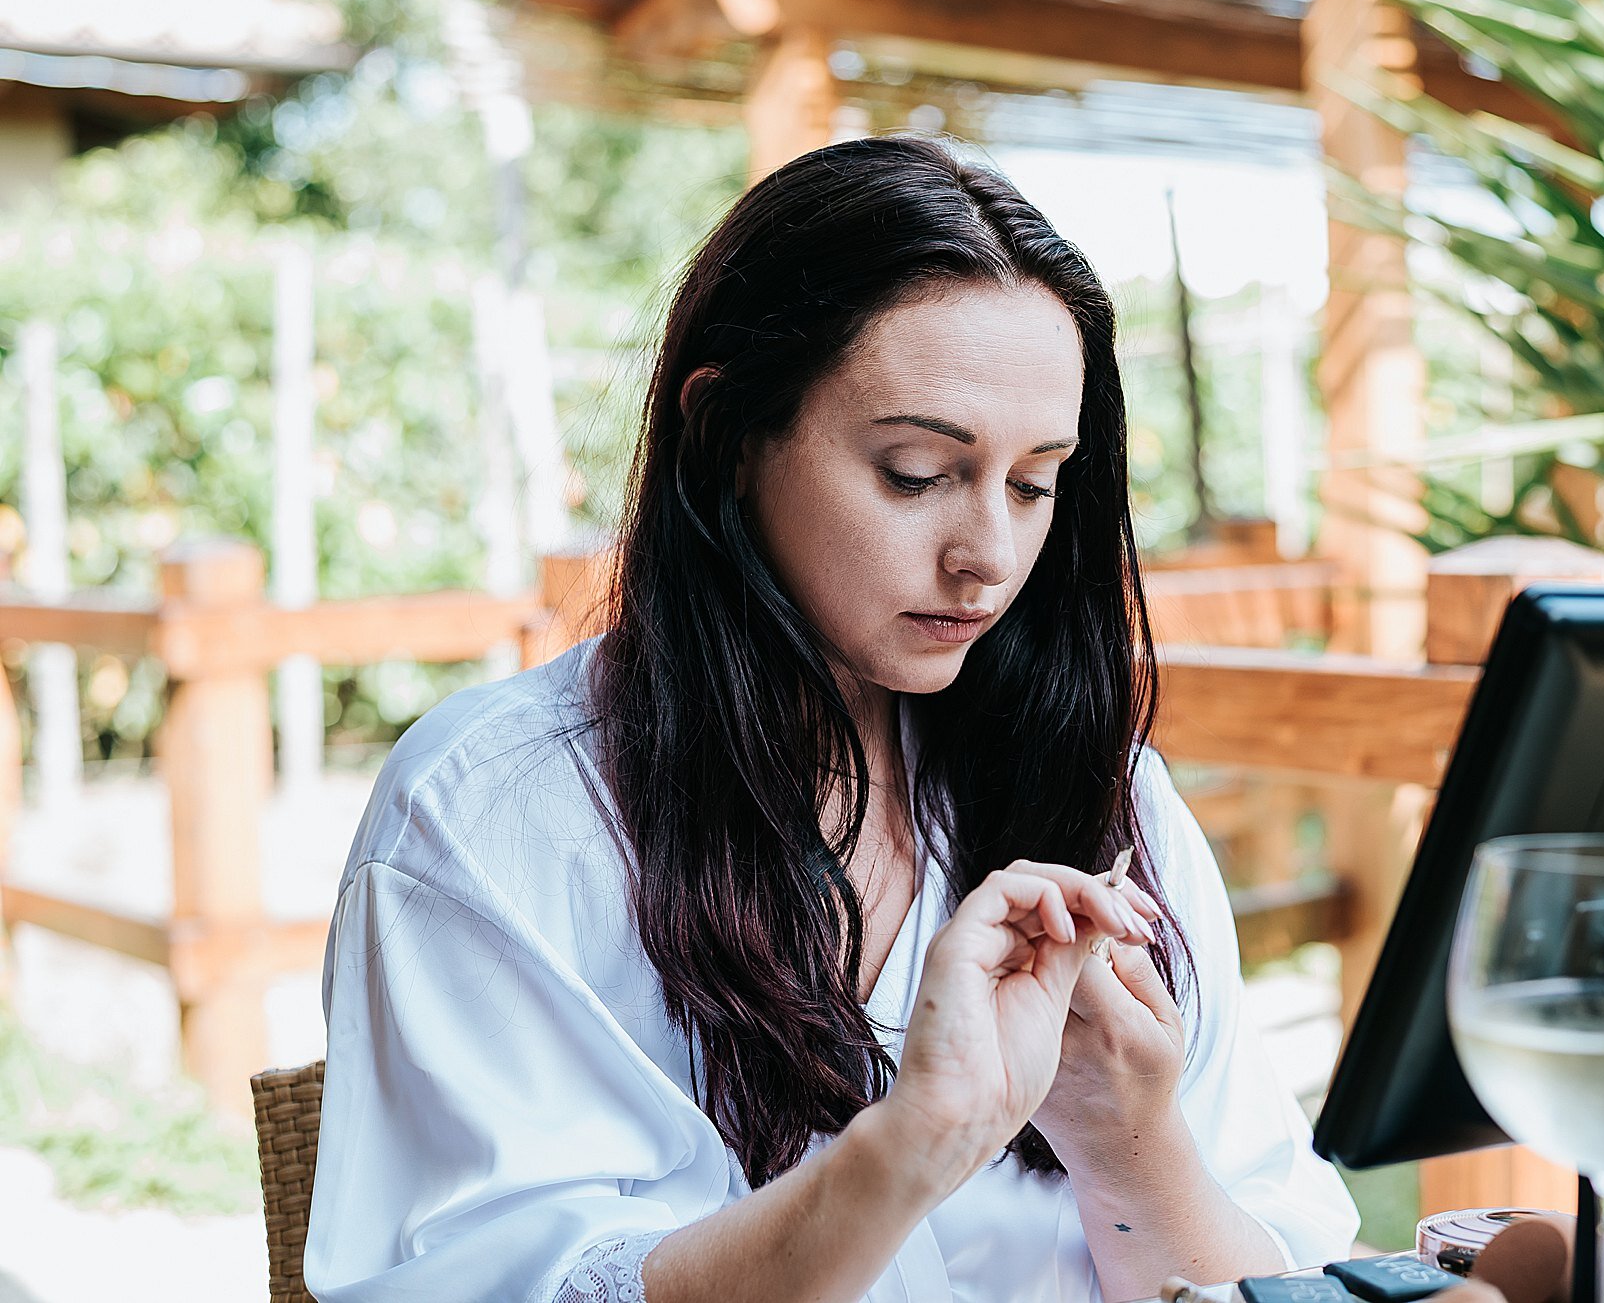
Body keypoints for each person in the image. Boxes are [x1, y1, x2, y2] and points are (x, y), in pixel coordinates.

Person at [304, 135, 1360, 1303]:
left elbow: (1289, 1256)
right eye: (916, 472)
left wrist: (1130, 1141)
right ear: (725, 434)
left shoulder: (1108, 802)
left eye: (1033, 482)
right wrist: (909, 1148)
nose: (988, 557)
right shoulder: (498, 815)